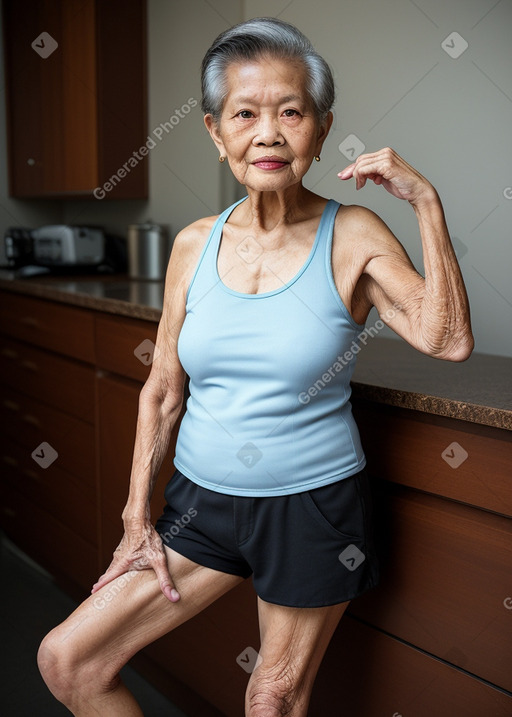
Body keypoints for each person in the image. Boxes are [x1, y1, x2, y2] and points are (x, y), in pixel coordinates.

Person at [37, 16, 473, 717]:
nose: (268, 133)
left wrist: (425, 201)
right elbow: (162, 390)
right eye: (245, 113)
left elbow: (446, 339)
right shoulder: (193, 244)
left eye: (291, 112)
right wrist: (133, 520)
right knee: (69, 660)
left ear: (322, 130)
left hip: (313, 506)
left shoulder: (353, 233)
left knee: (270, 698)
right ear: (216, 133)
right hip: (201, 504)